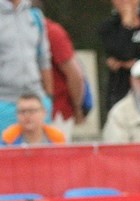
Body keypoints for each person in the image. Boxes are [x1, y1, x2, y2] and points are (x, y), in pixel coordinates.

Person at [34, 0, 86, 141]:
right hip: (22, 110)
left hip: (56, 111)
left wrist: (76, 107)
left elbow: (75, 75)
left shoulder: (52, 32)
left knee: (55, 159)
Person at [0, 0, 52, 131]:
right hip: (4, 102)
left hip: (37, 100)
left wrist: (48, 98)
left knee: (40, 151)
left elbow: (44, 59)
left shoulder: (34, 15)